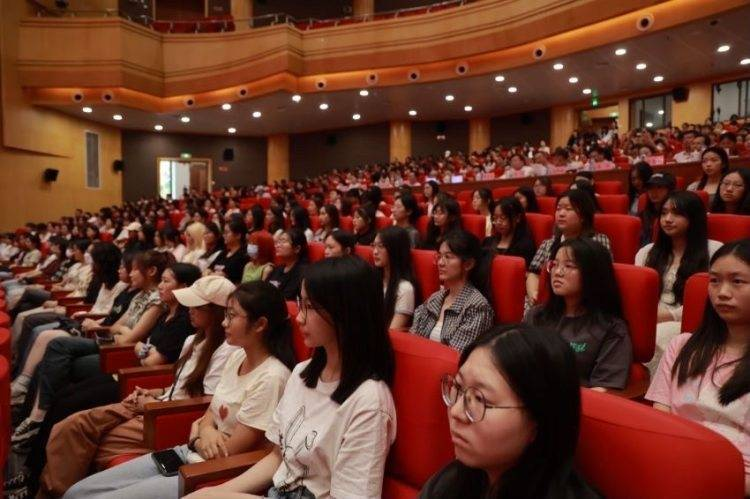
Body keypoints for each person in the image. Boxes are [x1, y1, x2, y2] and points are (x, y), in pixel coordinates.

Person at [63, 280, 296, 499]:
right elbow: (210, 413)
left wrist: (197, 435)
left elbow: (229, 451)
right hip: (187, 452)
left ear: (260, 324)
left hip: (208, 471)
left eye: (232, 316)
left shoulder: (272, 378)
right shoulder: (237, 357)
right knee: (76, 492)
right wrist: (205, 430)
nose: (225, 323)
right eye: (226, 315)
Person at [186, 257, 396, 499]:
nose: (299, 317)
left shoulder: (369, 401)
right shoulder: (302, 374)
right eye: (300, 304)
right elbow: (278, 457)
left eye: (310, 307)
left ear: (345, 313)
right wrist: (216, 491)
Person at [25, 276, 236, 498]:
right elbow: (177, 386)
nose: (190, 310)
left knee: (85, 436)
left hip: (164, 415)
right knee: (71, 424)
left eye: (197, 306)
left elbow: (204, 403)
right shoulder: (192, 340)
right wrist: (152, 392)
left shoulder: (225, 351)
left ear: (216, 312)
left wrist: (153, 403)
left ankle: (49, 492)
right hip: (158, 405)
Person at [11, 258, 195, 450]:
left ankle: (36, 435)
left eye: (166, 281)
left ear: (183, 287)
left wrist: (139, 347)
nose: (161, 286)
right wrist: (141, 347)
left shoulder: (180, 320)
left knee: (65, 395)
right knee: (55, 380)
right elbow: (127, 335)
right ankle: (32, 421)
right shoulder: (165, 313)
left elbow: (151, 359)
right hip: (126, 362)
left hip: (136, 376)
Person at [420, 325, 598, 499]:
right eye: (458, 387)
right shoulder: (450, 481)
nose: (456, 412)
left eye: (480, 399)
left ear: (539, 421)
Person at [646, 239, 750, 495]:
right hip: (675, 469)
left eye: (737, 281)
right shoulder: (682, 346)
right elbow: (661, 421)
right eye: (714, 281)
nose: (722, 292)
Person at [525, 239, 632, 390]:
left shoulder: (611, 328)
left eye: (569, 266)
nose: (557, 272)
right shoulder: (537, 315)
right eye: (554, 264)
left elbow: (603, 388)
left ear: (592, 274)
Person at [635, 191, 723, 373]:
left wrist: (668, 315)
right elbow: (637, 296)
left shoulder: (714, 251)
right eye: (664, 213)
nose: (667, 219)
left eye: (676, 214)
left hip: (692, 321)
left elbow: (711, 298)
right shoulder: (647, 252)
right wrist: (647, 316)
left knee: (658, 336)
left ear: (694, 218)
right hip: (648, 318)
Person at [411, 230, 494, 352]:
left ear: (468, 264)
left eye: (448, 257)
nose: (440, 263)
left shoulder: (477, 306)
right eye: (439, 256)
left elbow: (456, 356)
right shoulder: (435, 298)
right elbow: (413, 339)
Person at [526, 190, 611, 306]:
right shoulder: (549, 243)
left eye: (568, 209)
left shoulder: (598, 242)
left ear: (583, 215)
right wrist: (534, 293)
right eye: (558, 209)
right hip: (548, 302)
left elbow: (601, 278)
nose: (561, 214)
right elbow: (534, 273)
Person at [373, 227, 417, 330]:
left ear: (395, 250)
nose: (375, 252)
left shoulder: (404, 288)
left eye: (381, 246)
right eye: (374, 246)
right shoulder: (373, 279)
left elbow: (393, 332)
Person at [482, 197, 536, 266]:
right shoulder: (488, 242)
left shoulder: (525, 246)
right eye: (495, 218)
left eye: (503, 218)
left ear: (518, 218)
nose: (498, 222)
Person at [265, 228, 307, 300]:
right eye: (278, 242)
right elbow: (263, 288)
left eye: (283, 241)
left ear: (297, 248)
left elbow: (287, 297)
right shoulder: (277, 269)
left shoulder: (303, 272)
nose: (277, 246)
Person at [639, 172, 676, 247]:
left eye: (659, 187)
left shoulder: (676, 215)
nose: (653, 191)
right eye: (650, 188)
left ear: (670, 190)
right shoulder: (643, 215)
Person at [209, 218, 249, 284]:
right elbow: (208, 269)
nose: (223, 235)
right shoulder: (224, 252)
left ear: (238, 236)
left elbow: (223, 275)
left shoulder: (242, 255)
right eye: (223, 232)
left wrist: (210, 274)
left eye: (226, 232)